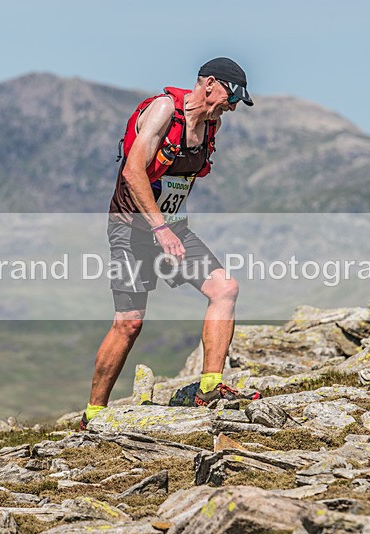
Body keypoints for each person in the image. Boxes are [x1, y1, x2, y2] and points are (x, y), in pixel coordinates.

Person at [81, 57, 259, 429]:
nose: (234, 106)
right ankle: (94, 414)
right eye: (232, 95)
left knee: (225, 288)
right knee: (129, 323)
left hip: (171, 228)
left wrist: (167, 227)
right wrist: (159, 229)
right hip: (131, 227)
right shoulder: (164, 111)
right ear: (209, 84)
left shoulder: (212, 126)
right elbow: (133, 171)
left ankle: (210, 387)